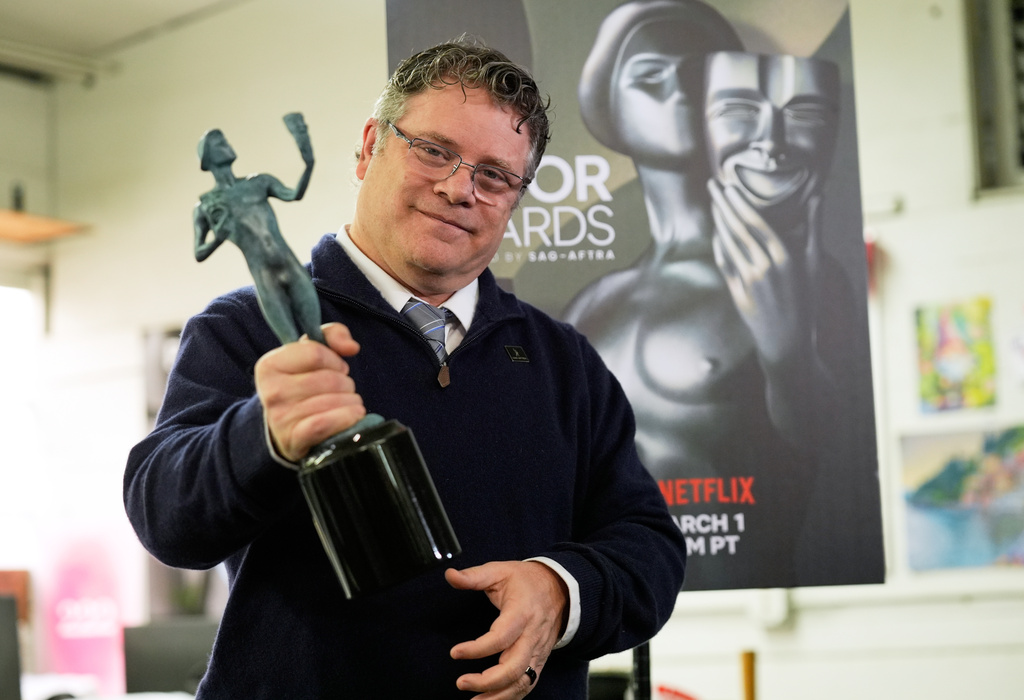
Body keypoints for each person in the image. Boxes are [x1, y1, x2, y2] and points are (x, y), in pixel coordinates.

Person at [125, 39, 686, 699]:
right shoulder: (247, 329)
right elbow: (163, 514)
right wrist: (264, 435)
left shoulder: (564, 362)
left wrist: (563, 591)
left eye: (494, 175)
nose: (458, 189)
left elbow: (649, 548)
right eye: (434, 150)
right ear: (370, 146)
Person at [564, 0, 857, 589]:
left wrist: (790, 355)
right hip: (611, 605)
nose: (677, 92)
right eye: (650, 77)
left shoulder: (791, 273)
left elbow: (829, 446)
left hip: (743, 594)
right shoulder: (594, 304)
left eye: (697, 76)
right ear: (609, 107)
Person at [193, 113, 324, 344]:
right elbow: (199, 252)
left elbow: (294, 194)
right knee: (292, 346)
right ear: (208, 157)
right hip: (264, 275)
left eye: (226, 141)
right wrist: (218, 238)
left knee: (317, 335)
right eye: (220, 143)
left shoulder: (259, 182)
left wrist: (308, 161)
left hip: (289, 264)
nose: (227, 145)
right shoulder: (206, 205)